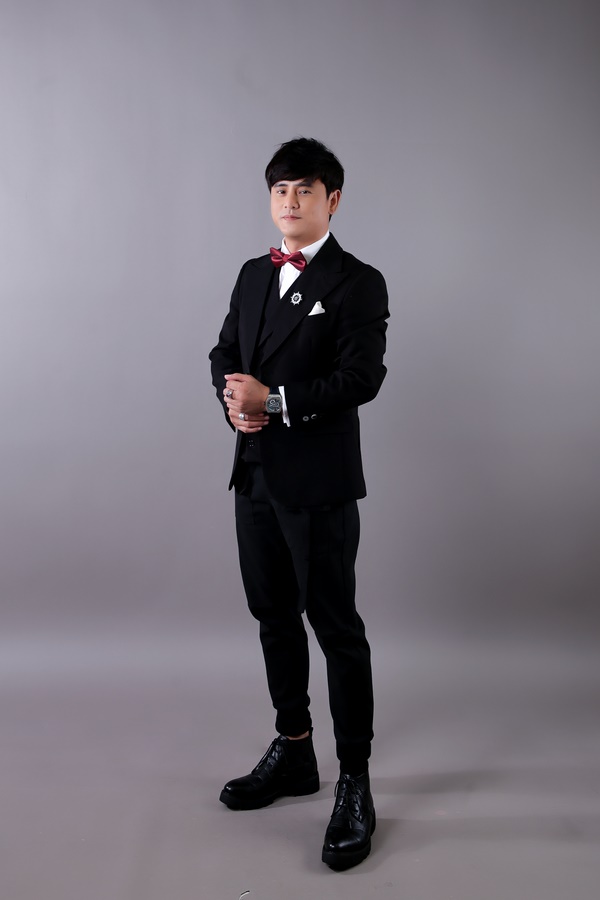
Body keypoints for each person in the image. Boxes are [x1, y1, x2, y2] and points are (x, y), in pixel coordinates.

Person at [209, 137, 389, 871]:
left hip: (317, 485)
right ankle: (294, 751)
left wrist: (275, 401)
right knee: (273, 618)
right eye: (280, 189)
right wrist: (233, 404)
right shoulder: (253, 274)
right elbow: (224, 354)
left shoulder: (358, 282)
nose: (289, 201)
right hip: (255, 475)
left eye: (304, 189)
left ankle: (356, 783)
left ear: (332, 200)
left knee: (336, 630)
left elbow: (361, 379)